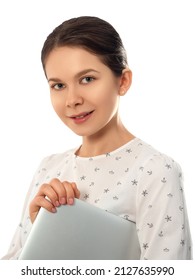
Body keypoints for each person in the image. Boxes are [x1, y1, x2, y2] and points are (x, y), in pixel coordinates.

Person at [2, 16, 192, 260]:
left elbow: (169, 273)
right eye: (58, 85)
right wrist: (38, 229)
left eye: (87, 79)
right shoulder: (48, 168)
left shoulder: (155, 170)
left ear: (123, 81)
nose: (72, 100)